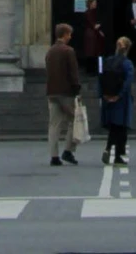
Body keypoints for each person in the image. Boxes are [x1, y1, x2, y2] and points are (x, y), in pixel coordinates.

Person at [45, 23, 81, 167]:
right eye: (69, 34)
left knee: (54, 124)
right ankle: (68, 150)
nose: (70, 36)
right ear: (64, 34)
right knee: (74, 120)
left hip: (52, 91)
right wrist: (77, 89)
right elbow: (73, 73)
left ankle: (54, 156)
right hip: (66, 92)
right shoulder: (68, 51)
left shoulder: (50, 51)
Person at [99, 35, 134, 171]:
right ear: (127, 48)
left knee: (113, 126)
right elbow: (128, 82)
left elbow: (100, 78)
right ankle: (118, 155)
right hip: (121, 99)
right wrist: (119, 95)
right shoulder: (127, 64)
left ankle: (108, 148)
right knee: (121, 127)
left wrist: (103, 95)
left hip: (108, 97)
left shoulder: (107, 61)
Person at [81, 0, 107, 76]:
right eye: (94, 3)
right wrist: (100, 25)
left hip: (92, 34)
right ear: (90, 4)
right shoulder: (89, 13)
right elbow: (94, 25)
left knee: (93, 52)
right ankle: (92, 70)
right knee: (93, 52)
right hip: (91, 35)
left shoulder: (92, 12)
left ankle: (93, 70)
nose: (96, 4)